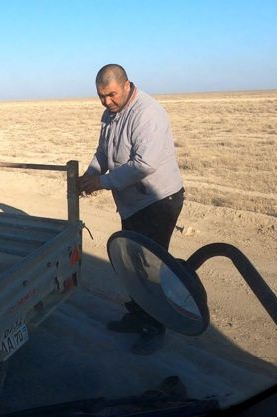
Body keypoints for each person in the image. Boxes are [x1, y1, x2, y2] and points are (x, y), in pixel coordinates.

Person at [78, 64, 185, 355]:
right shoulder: (110, 114)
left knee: (149, 267)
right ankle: (138, 316)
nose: (106, 101)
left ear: (126, 86)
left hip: (158, 200)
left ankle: (155, 326)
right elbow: (103, 152)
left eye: (111, 94)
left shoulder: (146, 113)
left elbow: (144, 164)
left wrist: (102, 182)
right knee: (132, 262)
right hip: (133, 203)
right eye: (101, 96)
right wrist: (90, 174)